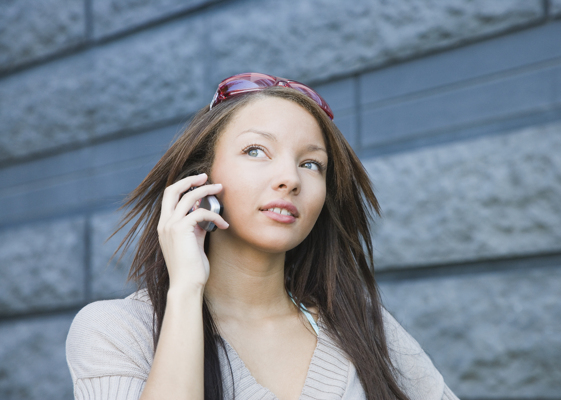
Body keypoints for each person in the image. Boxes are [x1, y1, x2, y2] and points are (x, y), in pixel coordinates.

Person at [66, 72, 459, 400]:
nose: (289, 178)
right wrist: (186, 287)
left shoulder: (365, 328)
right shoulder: (117, 331)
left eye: (311, 164)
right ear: (200, 179)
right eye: (256, 151)